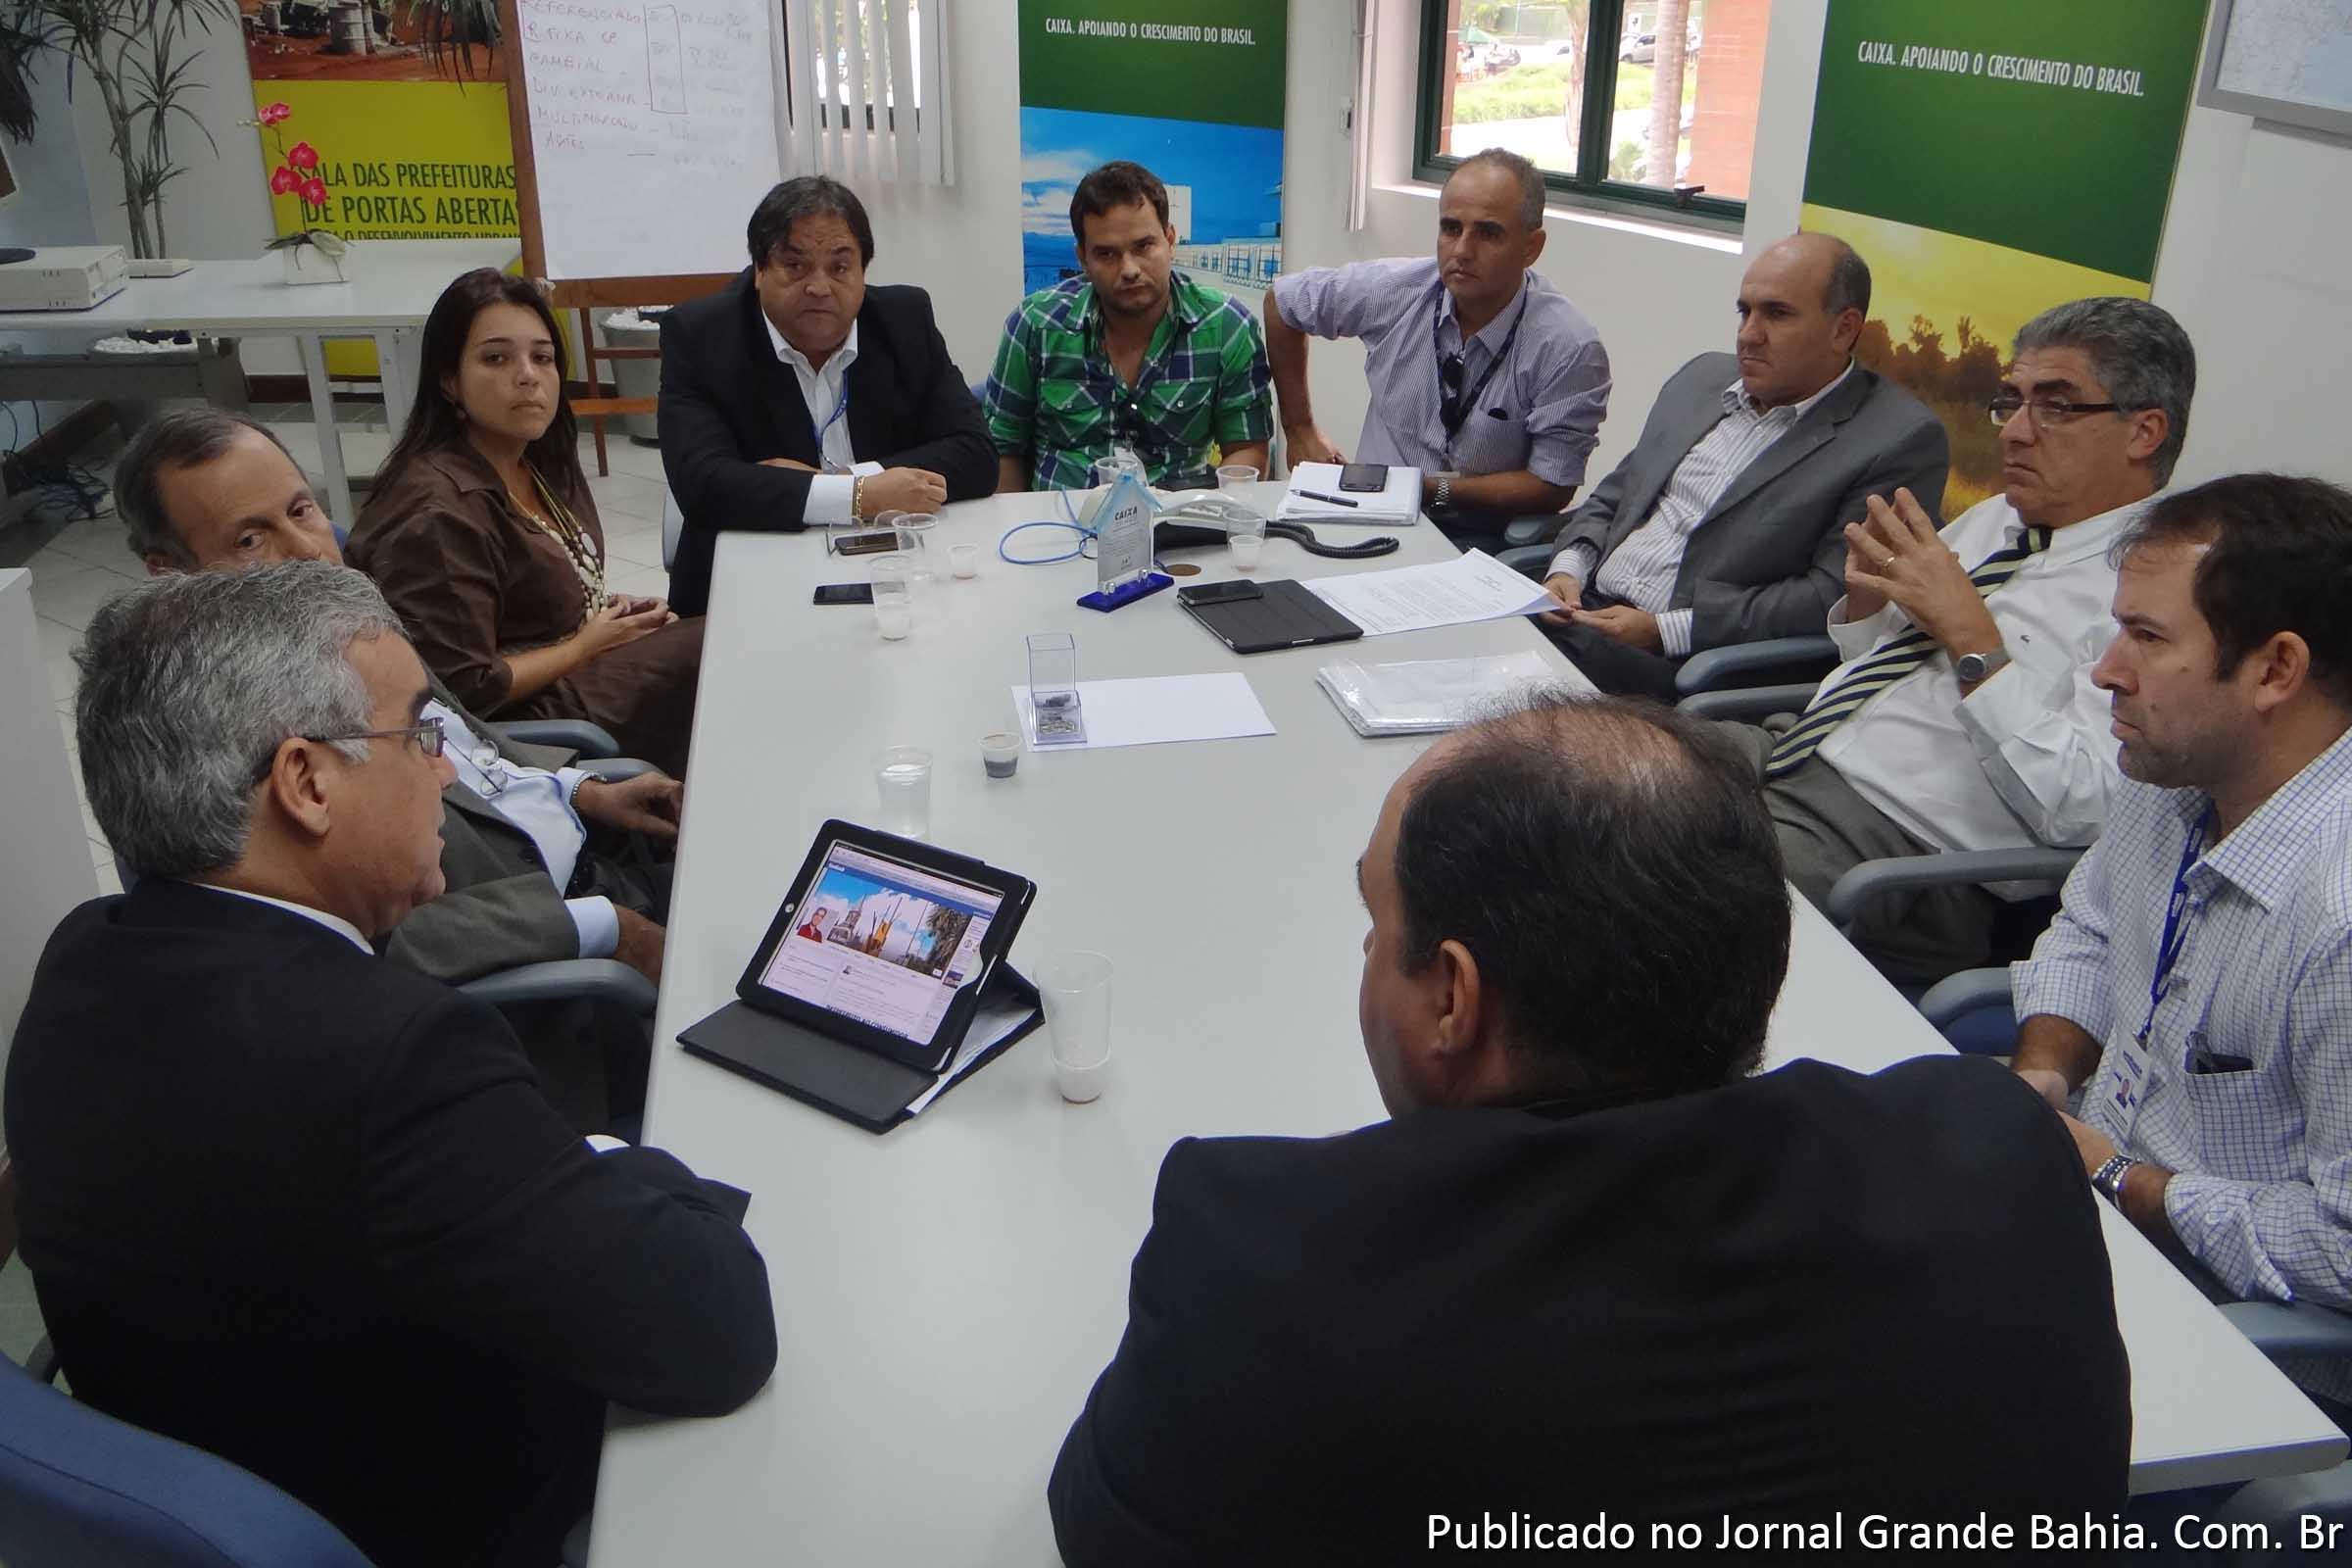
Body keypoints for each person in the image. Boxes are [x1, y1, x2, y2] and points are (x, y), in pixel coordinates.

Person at [1049, 695, 2131, 1563]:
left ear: (1452, 999)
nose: (1369, 956)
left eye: (1377, 926)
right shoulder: (1998, 1155)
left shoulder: (1261, 1259)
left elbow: (1103, 1524)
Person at [5, 563, 776, 1568]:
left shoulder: (79, 958)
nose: (447, 771)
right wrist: (617, 1161)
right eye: (417, 733)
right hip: (449, 1514)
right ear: (306, 782)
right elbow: (717, 1330)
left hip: (230, 1443)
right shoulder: (392, 1059)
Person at [2010, 473, 2352, 1422]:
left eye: (2148, 638)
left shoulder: (2339, 918)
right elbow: (2087, 928)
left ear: (2275, 670)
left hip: (2242, 1350)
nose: (2107, 670)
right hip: (2093, 1226)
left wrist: (2124, 1181)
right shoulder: (2177, 773)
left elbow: (2344, 1248)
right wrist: (2044, 1072)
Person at [1739, 295, 2195, 985]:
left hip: (1902, 858)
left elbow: (2080, 811)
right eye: (2011, 401)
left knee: (1638, 877)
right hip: (1792, 750)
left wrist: (1972, 639)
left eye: (2056, 406)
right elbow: (1873, 664)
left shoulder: (2160, 594)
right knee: (1573, 762)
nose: (2014, 431)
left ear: (2144, 433)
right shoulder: (1996, 523)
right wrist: (1867, 602)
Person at [1535, 233, 1948, 698]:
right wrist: (1566, 570)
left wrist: (1666, 630)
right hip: (1573, 610)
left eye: (1777, 314)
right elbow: (1614, 497)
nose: (1749, 334)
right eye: (1745, 311)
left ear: (1844, 329)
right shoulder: (1702, 379)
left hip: (1673, 660)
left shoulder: (1896, 440)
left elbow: (1830, 596)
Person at [350, 268, 706, 776]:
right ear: (449, 381)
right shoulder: (436, 513)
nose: (527, 375)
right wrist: (585, 644)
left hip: (559, 669)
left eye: (542, 357)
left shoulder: (534, 459)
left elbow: (534, 587)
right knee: (706, 654)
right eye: (496, 358)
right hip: (507, 728)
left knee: (714, 636)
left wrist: (605, 613)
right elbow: (465, 691)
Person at [658, 175, 996, 616]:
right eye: (795, 266)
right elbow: (704, 486)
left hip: (895, 577)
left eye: (839, 267)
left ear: (862, 272)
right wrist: (864, 495)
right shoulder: (701, 335)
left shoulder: (904, 319)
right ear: (759, 270)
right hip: (751, 589)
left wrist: (846, 485)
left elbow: (976, 456)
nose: (819, 287)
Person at [1265, 148, 1611, 546]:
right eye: (1450, 228)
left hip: (1482, 538)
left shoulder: (1568, 348)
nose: (1462, 250)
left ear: (1531, 247)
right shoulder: (1397, 290)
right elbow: (1282, 304)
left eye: (1488, 232)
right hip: (1367, 520)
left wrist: (1427, 489)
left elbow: (1552, 484)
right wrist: (1299, 427)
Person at [982, 161, 1272, 491]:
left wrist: (1205, 521)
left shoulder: (1227, 326)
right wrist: (1022, 534)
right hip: (1060, 526)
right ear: (1082, 258)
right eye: (1106, 254)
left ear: (1170, 239)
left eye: (1143, 246)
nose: (1129, 268)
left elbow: (1248, 448)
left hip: (1181, 526)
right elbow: (1002, 449)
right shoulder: (1035, 325)